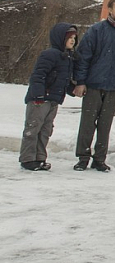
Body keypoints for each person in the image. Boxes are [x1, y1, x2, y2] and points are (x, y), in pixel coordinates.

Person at [72, 0, 115, 172]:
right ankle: (83, 158)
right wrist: (80, 82)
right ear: (110, 10)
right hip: (94, 84)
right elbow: (83, 57)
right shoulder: (96, 30)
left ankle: (99, 159)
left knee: (105, 125)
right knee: (87, 124)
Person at [20, 23, 77, 171]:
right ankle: (27, 159)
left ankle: (39, 157)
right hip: (40, 99)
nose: (73, 40)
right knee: (33, 128)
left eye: (74, 38)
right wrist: (39, 95)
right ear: (60, 38)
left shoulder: (68, 57)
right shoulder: (50, 54)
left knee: (45, 130)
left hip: (53, 100)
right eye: (69, 37)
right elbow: (38, 75)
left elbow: (63, 79)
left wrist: (73, 90)